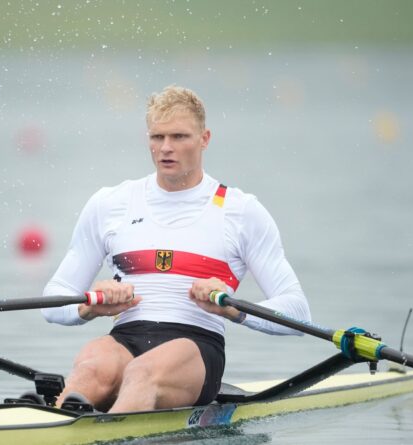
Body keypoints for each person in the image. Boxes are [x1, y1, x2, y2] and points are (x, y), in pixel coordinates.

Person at [41, 85, 311, 413]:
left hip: (195, 347)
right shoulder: (110, 203)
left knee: (141, 373)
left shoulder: (241, 211)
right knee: (91, 366)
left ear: (205, 138)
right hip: (126, 336)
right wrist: (89, 307)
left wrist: (233, 308)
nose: (165, 148)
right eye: (157, 137)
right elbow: (52, 300)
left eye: (179, 137)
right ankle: (63, 416)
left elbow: (297, 311)